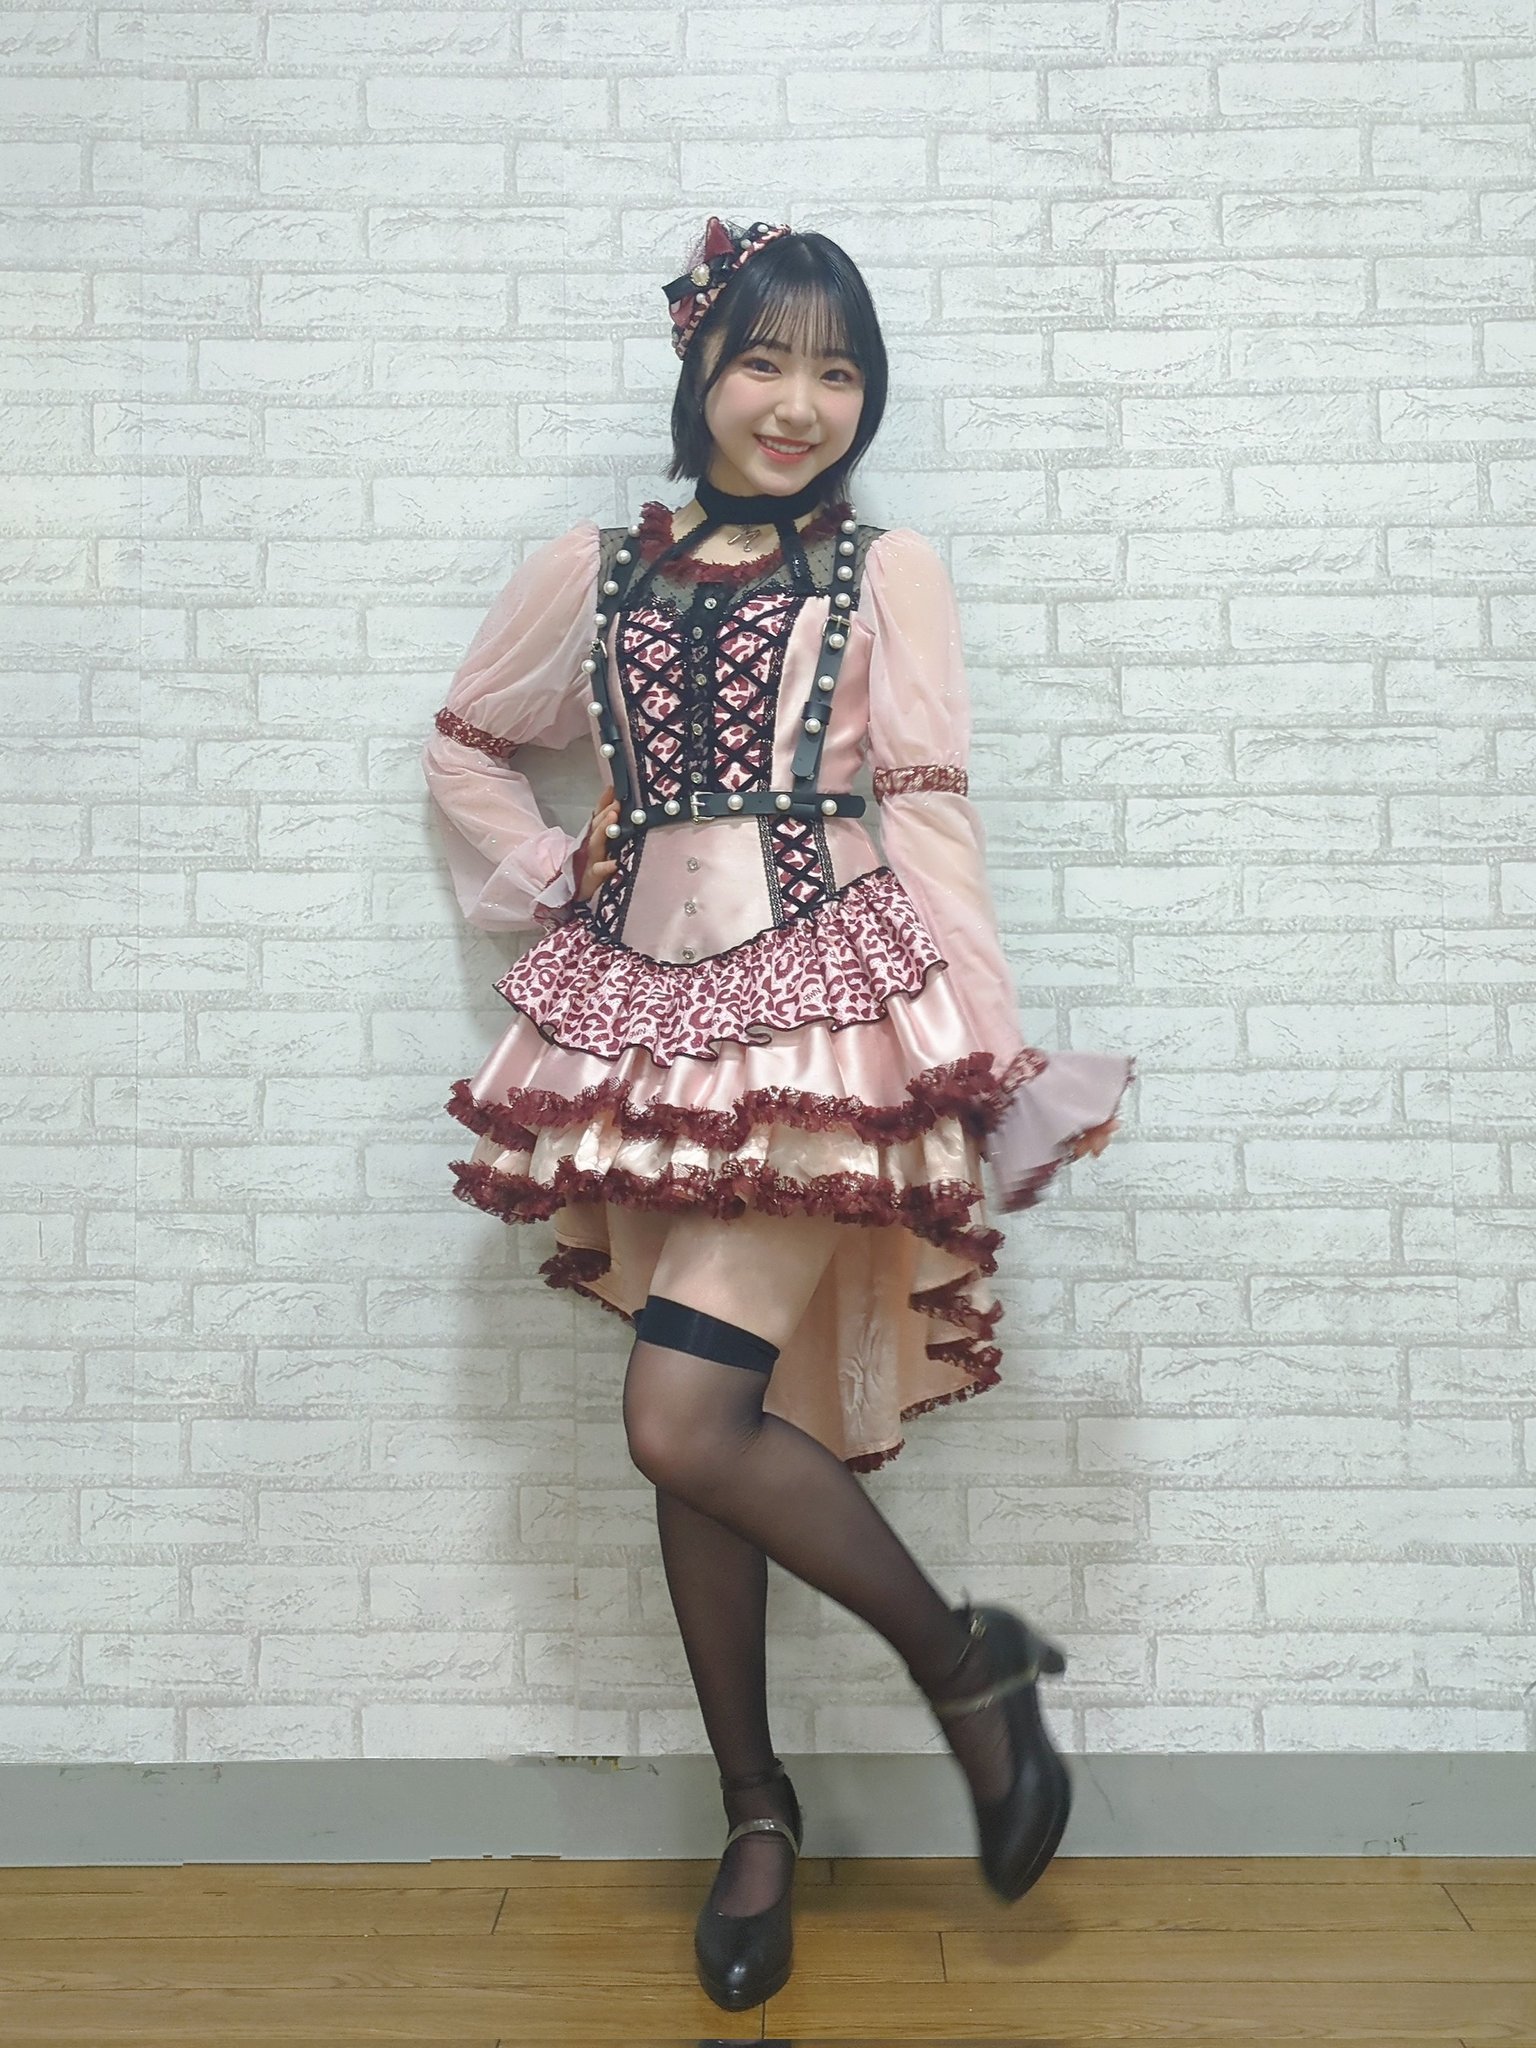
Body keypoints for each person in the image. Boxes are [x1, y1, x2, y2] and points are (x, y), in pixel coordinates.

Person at [421, 214, 1135, 2013]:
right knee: (698, 1421)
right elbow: (467, 739)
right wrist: (547, 870)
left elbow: (931, 803)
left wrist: (982, 1051)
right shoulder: (593, 570)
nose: (801, 402)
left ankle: (966, 1668)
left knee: (677, 1412)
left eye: (837, 369)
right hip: (645, 1026)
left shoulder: (889, 571)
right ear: (702, 370)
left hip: (828, 1015)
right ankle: (759, 1815)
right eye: (764, 361)